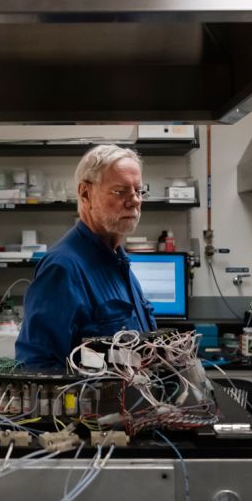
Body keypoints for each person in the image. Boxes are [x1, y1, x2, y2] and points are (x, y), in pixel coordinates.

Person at [15, 144, 157, 369]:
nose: (134, 201)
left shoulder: (118, 261)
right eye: (120, 191)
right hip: (98, 404)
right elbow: (38, 368)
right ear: (85, 193)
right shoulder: (63, 268)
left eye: (138, 191)